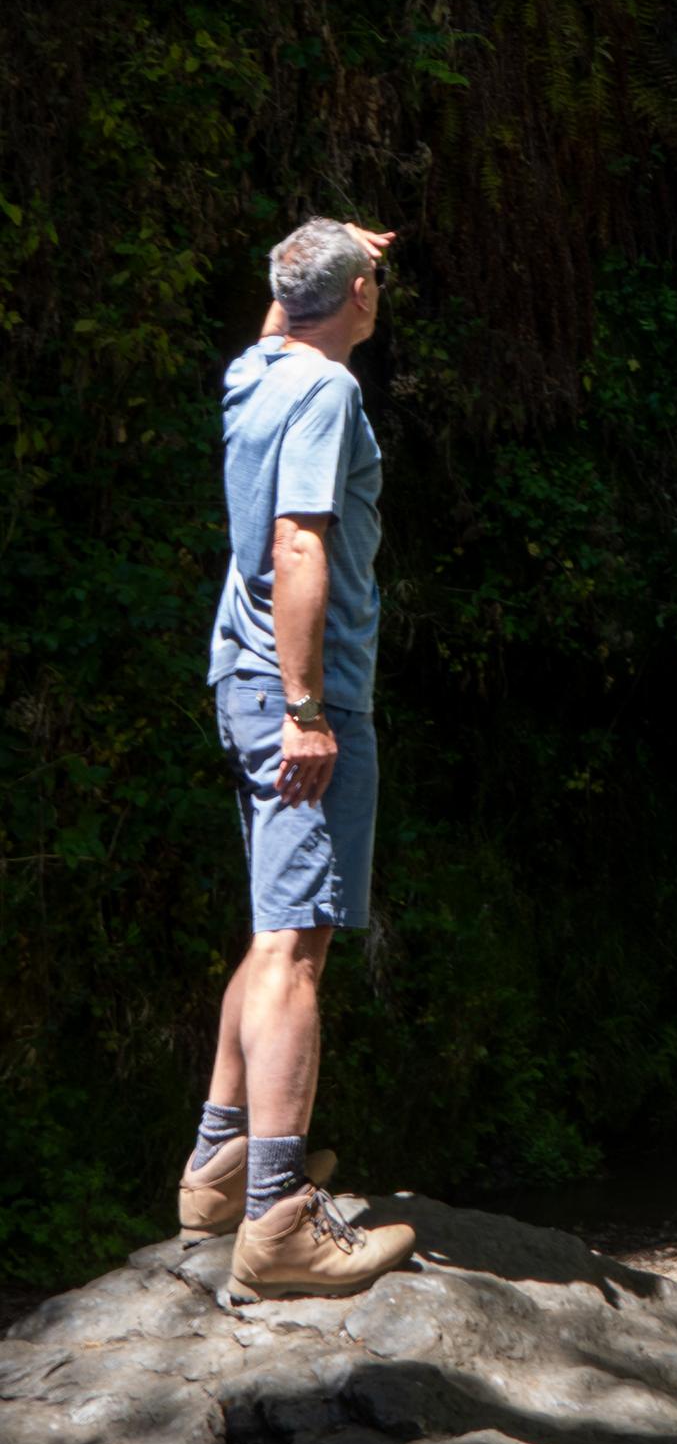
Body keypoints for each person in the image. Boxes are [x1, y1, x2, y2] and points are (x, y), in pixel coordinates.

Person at [179, 218, 417, 1295]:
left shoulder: (257, 368)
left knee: (271, 927)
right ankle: (278, 1222)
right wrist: (310, 709)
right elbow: (298, 543)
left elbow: (289, 303)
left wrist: (302, 257)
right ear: (363, 289)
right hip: (297, 690)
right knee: (297, 945)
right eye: (377, 275)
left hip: (240, 678)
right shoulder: (325, 393)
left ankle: (219, 1164)